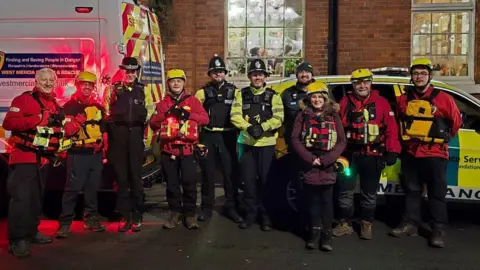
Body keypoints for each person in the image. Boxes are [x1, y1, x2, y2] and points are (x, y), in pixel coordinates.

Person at [390, 58, 462, 248]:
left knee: (437, 194)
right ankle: (410, 224)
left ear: (429, 76)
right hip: (411, 153)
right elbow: (399, 122)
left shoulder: (444, 98)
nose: (419, 77)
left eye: (422, 73)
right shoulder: (403, 98)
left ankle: (437, 230)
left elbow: (455, 124)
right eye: (415, 73)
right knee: (412, 191)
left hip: (435, 153)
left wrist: (438, 138)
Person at [3, 68, 69, 257]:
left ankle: (31, 231)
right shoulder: (24, 100)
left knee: (35, 199)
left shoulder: (55, 104)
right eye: (44, 80)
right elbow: (9, 123)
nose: (48, 83)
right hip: (24, 157)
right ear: (36, 81)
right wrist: (38, 118)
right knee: (21, 199)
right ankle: (17, 240)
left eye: (51, 80)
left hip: (43, 160)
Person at [333, 68, 401, 240]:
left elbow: (392, 129)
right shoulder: (344, 102)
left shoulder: (382, 103)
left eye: (365, 82)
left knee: (369, 193)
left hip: (373, 154)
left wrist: (393, 150)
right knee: (345, 191)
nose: (362, 86)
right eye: (357, 83)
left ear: (371, 83)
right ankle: (345, 223)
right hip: (348, 155)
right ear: (353, 85)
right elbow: (336, 128)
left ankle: (366, 223)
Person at [149, 69, 209, 230]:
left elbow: (205, 119)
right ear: (168, 83)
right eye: (172, 81)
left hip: (188, 151)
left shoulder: (193, 101)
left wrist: (188, 116)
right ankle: (175, 212)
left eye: (179, 81)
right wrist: (166, 114)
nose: (176, 83)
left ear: (184, 83)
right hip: (169, 151)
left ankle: (189, 214)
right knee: (172, 185)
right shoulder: (162, 104)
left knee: (189, 183)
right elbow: (153, 122)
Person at [291, 81, 346, 251]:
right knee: (313, 200)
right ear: (308, 99)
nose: (316, 100)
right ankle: (314, 233)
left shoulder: (334, 116)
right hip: (310, 162)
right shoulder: (302, 115)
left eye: (319, 97)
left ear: (325, 98)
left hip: (327, 163)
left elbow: (341, 141)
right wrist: (310, 158)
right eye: (313, 97)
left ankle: (327, 235)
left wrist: (326, 159)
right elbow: (295, 139)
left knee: (327, 200)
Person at [230, 58, 284, 231]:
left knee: (266, 182)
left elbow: (279, 117)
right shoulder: (241, 94)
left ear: (265, 76)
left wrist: (262, 127)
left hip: (266, 145)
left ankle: (266, 217)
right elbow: (234, 115)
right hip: (246, 144)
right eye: (254, 74)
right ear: (250, 76)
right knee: (248, 182)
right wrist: (248, 127)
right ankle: (250, 215)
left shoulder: (274, 96)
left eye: (260, 74)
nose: (257, 77)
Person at [56, 71, 106, 238]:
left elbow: (103, 129)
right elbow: (67, 131)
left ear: (93, 87)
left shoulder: (98, 107)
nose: (86, 87)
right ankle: (65, 223)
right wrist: (80, 119)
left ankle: (91, 218)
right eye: (83, 84)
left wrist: (103, 148)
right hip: (77, 153)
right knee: (72, 189)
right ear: (77, 85)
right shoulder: (69, 107)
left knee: (92, 188)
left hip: (95, 154)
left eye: (90, 85)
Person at [195, 54, 243, 223]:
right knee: (207, 174)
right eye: (214, 72)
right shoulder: (202, 92)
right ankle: (206, 208)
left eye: (220, 71)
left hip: (228, 136)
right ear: (210, 74)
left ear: (225, 73)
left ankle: (232, 207)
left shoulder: (235, 92)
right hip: (208, 136)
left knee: (230, 175)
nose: (217, 74)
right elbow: (195, 115)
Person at [103, 57, 147, 232]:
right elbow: (106, 113)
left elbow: (149, 114)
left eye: (133, 70)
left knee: (136, 177)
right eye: (127, 70)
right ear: (121, 71)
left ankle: (137, 214)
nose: (130, 73)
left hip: (136, 134)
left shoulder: (143, 90)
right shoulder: (112, 90)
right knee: (121, 178)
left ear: (137, 71)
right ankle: (124, 215)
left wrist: (146, 138)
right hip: (118, 136)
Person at [281, 61, 315, 152]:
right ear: (296, 75)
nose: (304, 74)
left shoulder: (322, 91)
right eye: (301, 72)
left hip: (317, 140)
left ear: (312, 74)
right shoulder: (287, 93)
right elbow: (281, 117)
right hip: (294, 141)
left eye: (307, 72)